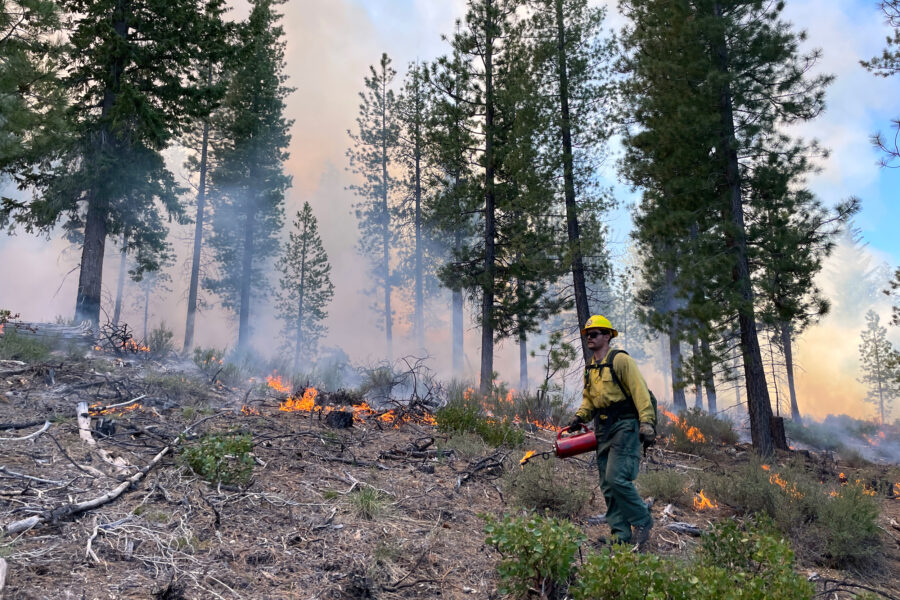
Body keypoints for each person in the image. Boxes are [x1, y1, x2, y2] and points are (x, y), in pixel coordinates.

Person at [567, 314, 655, 548]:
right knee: (606, 482)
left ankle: (643, 519)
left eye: (594, 334)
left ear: (607, 336)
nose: (589, 338)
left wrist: (646, 423)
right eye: (587, 334)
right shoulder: (592, 367)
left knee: (617, 477)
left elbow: (640, 391)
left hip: (625, 425)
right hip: (603, 429)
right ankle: (621, 534)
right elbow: (589, 400)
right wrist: (579, 417)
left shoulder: (621, 361)